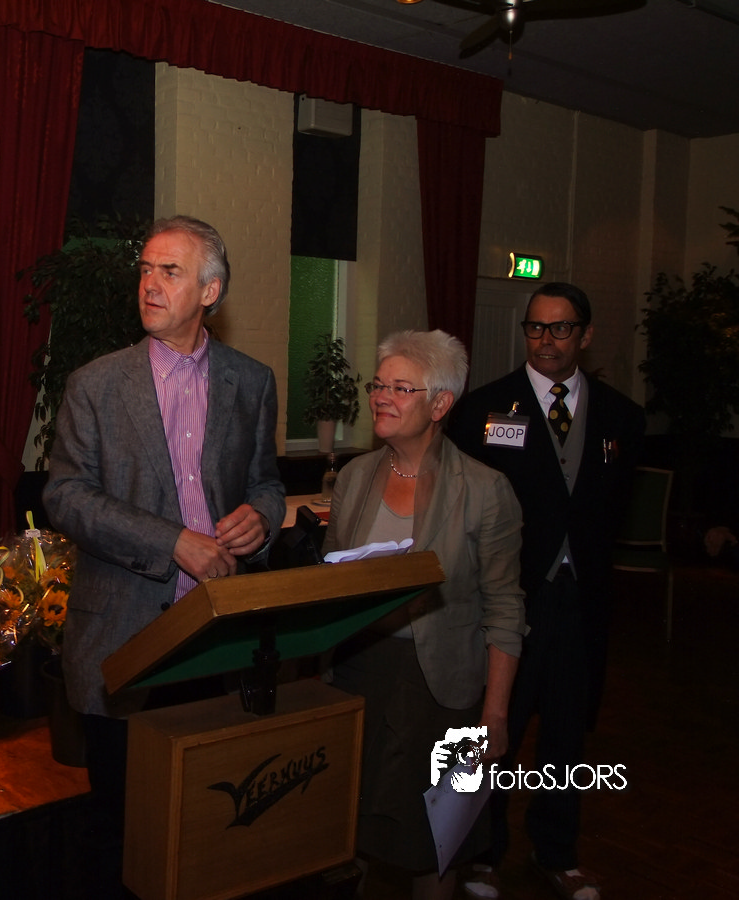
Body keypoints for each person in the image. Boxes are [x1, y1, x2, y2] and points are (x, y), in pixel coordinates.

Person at [43, 215, 285, 894]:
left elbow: (266, 482)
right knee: (121, 829)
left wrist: (261, 519)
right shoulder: (96, 385)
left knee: (208, 818)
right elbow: (65, 496)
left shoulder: (252, 381)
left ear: (210, 291)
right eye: (145, 269)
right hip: (124, 635)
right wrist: (171, 541)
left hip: (217, 638)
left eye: (169, 271)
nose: (149, 284)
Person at [448, 283, 646, 900]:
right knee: (496, 728)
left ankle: (557, 851)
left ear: (585, 335)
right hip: (509, 597)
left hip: (581, 599)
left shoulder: (621, 416)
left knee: (565, 733)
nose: (546, 340)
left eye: (561, 328)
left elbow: (610, 510)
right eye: (535, 327)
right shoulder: (484, 409)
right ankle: (482, 855)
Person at [321, 329, 526, 900]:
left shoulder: (485, 489)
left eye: (400, 388)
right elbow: (331, 583)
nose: (381, 397)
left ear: (440, 405)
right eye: (378, 385)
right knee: (349, 839)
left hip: (443, 690)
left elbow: (505, 609)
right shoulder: (355, 478)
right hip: (360, 677)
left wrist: (495, 714)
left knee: (435, 848)